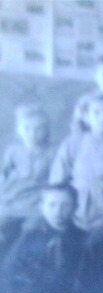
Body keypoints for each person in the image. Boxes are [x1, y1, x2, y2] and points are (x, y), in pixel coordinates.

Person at [2, 184, 85, 293]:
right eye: (52, 205)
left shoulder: (82, 239)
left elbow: (88, 276)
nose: (58, 211)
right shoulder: (30, 237)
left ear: (75, 207)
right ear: (42, 207)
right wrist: (27, 286)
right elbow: (10, 270)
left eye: (65, 205)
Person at [50, 94, 103, 230]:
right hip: (75, 208)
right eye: (96, 113)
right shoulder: (73, 142)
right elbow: (57, 180)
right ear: (86, 117)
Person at [0, 105, 55, 264]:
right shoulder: (13, 150)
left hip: (36, 201)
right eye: (27, 128)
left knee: (30, 231)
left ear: (46, 130)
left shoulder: (51, 152)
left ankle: (17, 263)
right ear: (19, 130)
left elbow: (55, 180)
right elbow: (4, 174)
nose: (32, 133)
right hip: (12, 198)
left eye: (39, 129)